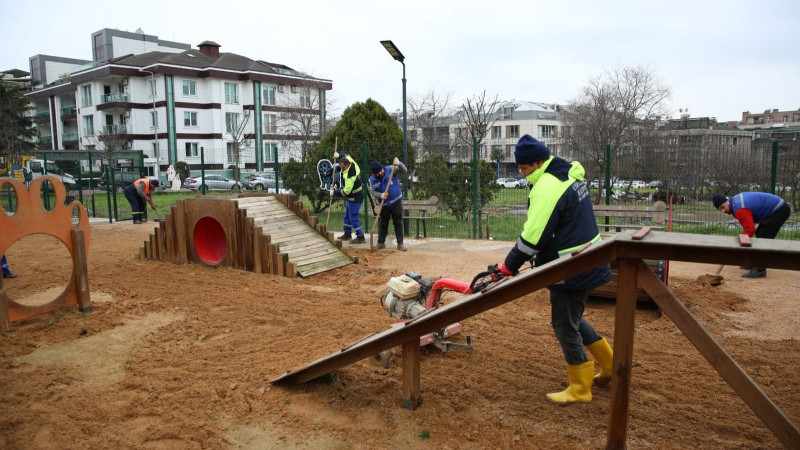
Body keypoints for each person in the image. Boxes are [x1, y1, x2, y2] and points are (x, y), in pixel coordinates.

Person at [491, 134, 613, 405]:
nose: (522, 174)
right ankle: (610, 364)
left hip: (569, 267)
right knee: (573, 317)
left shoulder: (548, 187)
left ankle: (580, 389)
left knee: (563, 324)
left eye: (523, 169)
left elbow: (532, 238)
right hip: (587, 257)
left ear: (537, 163)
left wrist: (507, 267)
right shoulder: (566, 171)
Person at [712, 192, 791, 278]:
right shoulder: (735, 202)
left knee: (763, 236)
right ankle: (754, 263)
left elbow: (749, 230)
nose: (723, 211)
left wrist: (738, 243)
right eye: (720, 209)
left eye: (723, 207)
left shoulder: (739, 209)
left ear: (727, 201)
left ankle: (760, 270)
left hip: (779, 210)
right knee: (760, 233)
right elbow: (750, 225)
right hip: (777, 208)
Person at [368, 158, 407, 251]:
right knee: (383, 224)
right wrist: (380, 195)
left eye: (381, 170)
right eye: (378, 173)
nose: (381, 173)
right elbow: (372, 191)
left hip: (396, 201)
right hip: (384, 204)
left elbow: (404, 170)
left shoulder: (390, 169)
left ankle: (400, 243)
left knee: (397, 223)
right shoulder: (372, 180)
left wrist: (399, 163)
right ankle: (381, 242)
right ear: (374, 173)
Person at [334, 153, 366, 244]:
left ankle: (360, 236)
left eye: (343, 167)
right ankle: (347, 233)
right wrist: (338, 155)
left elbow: (346, 192)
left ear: (347, 165)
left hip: (355, 198)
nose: (342, 169)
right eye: (341, 167)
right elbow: (347, 155)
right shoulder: (352, 163)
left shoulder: (350, 176)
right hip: (351, 198)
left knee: (353, 217)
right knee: (347, 216)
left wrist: (335, 192)